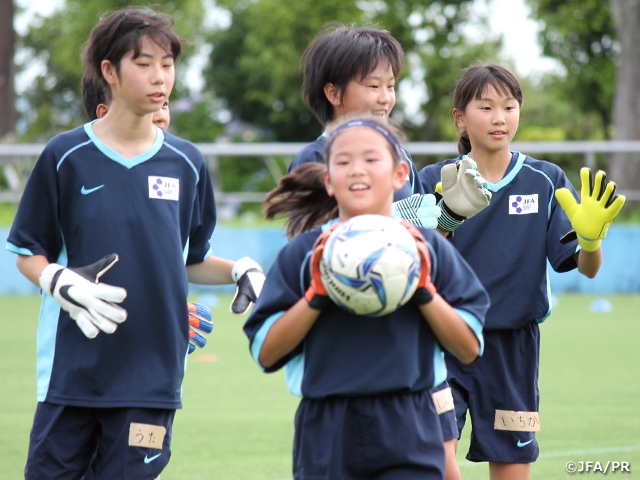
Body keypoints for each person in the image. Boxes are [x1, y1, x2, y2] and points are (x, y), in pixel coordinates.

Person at [5, 8, 264, 479]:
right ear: (110, 71)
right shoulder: (65, 157)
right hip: (72, 376)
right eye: (143, 63)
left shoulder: (187, 163)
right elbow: (27, 250)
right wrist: (58, 280)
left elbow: (191, 259)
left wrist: (237, 270)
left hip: (152, 377)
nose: (159, 76)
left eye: (167, 64)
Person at [245, 114, 490, 479]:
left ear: (400, 175)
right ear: (328, 180)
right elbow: (267, 353)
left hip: (410, 421)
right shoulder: (305, 253)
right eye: (343, 162)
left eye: (371, 159)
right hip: (327, 427)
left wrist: (422, 288)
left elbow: (469, 347)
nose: (357, 170)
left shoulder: (428, 248)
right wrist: (317, 293)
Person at [418, 64, 626, 480]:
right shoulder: (432, 181)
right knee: (432, 461)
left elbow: (586, 270)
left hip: (513, 350)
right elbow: (419, 259)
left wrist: (590, 240)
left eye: (509, 107)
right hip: (442, 342)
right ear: (460, 117)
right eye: (486, 107)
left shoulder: (546, 180)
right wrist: (445, 217)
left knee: (512, 469)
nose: (500, 118)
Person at [288, 22, 446, 229]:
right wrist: (383, 221)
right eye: (374, 86)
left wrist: (451, 214)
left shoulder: (399, 156)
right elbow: (306, 245)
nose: (386, 98)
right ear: (333, 93)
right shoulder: (313, 159)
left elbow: (426, 238)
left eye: (390, 86)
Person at [82, 74, 171, 130]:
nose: (161, 117)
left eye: (164, 104)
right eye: (143, 107)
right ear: (105, 114)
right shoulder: (74, 157)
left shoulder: (178, 157)